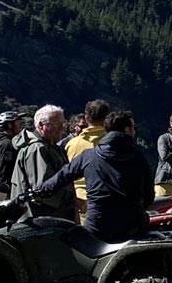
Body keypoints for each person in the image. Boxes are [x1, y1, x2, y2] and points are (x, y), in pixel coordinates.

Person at [35, 109, 154, 243]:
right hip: (132, 226)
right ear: (127, 130)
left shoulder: (88, 156)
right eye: (134, 128)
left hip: (97, 226)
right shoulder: (138, 158)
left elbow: (60, 178)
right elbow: (149, 196)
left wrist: (39, 192)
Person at [12, 104, 75, 220]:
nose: (61, 128)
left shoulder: (50, 146)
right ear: (41, 125)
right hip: (42, 219)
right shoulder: (37, 149)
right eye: (56, 124)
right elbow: (43, 190)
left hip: (51, 218)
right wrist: (74, 200)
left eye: (63, 123)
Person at [64, 100, 111, 209]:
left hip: (79, 201)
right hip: (106, 199)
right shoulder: (112, 143)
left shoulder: (72, 144)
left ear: (86, 117)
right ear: (106, 118)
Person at [0, 109, 31, 203]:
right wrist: (6, 190)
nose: (21, 124)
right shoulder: (7, 144)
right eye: (18, 122)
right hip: (3, 191)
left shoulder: (1, 141)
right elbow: (5, 169)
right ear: (10, 125)